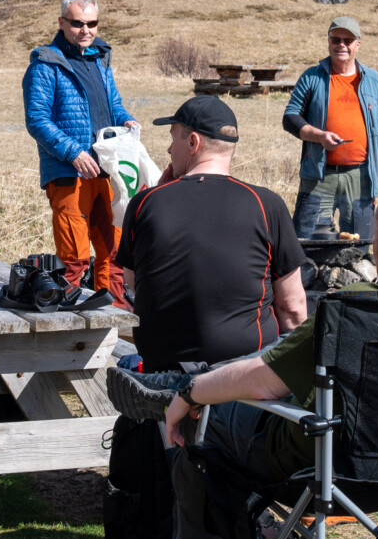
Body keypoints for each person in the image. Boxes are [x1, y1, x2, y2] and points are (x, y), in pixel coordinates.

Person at [105, 177, 378, 539]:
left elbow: (260, 380)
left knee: (203, 424)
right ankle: (189, 384)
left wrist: (191, 397)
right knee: (264, 364)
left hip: (330, 466)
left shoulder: (357, 310)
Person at [114, 96, 308, 374]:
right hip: (244, 375)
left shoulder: (144, 203)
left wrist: (158, 195)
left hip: (163, 370)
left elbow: (135, 284)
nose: (169, 149)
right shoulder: (266, 204)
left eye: (173, 139)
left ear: (193, 142)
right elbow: (292, 308)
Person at [23, 0, 139, 300]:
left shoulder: (100, 57)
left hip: (107, 167)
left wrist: (127, 121)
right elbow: (36, 119)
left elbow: (114, 104)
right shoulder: (45, 64)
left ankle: (113, 319)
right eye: (77, 23)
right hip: (68, 171)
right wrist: (73, 152)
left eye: (92, 23)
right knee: (73, 258)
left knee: (114, 253)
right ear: (62, 23)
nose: (85, 30)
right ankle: (72, 328)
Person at [281, 16, 378, 239]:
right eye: (336, 39)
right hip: (318, 175)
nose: (342, 45)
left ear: (358, 44)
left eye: (348, 40)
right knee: (306, 243)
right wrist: (319, 136)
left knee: (360, 246)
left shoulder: (374, 80)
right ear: (328, 42)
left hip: (361, 177)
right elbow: (290, 117)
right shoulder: (312, 77)